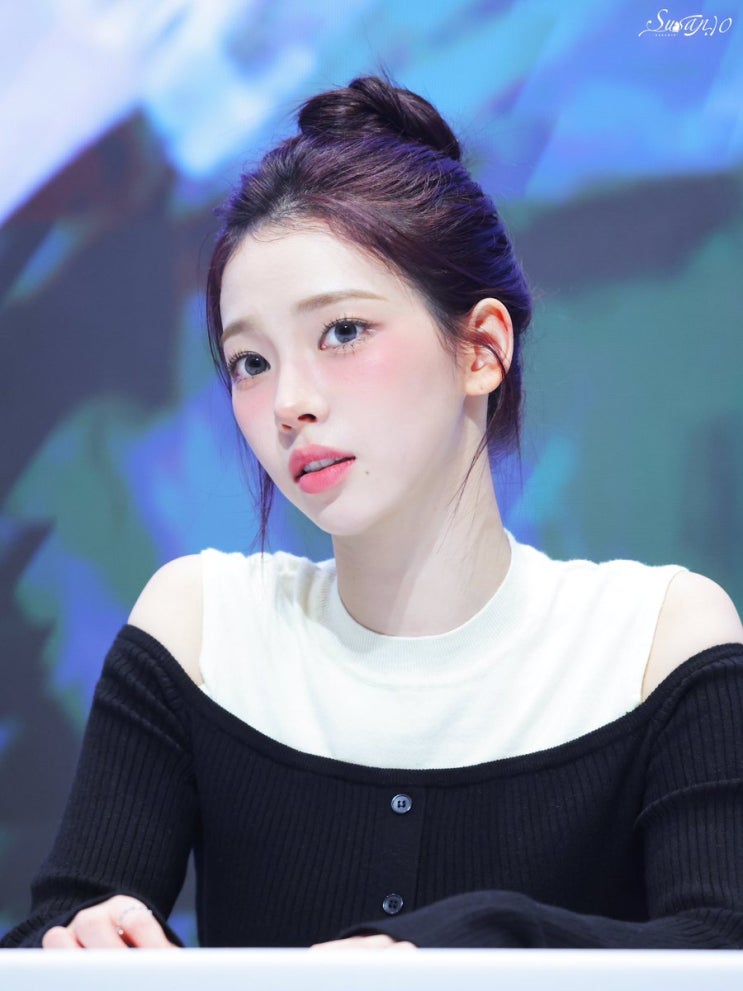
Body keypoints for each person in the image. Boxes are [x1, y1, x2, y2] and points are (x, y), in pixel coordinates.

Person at [2, 75, 742, 951]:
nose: (289, 402)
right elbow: (56, 929)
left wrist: (459, 944)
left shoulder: (652, 639)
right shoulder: (203, 628)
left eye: (343, 331)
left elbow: (718, 945)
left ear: (481, 348)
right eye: (249, 361)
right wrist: (83, 943)